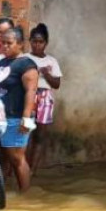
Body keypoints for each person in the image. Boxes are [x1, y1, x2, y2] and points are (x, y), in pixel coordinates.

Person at [0, 27, 39, 193]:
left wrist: (26, 118)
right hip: (0, 117)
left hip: (16, 117)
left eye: (9, 43)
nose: (5, 46)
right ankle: (3, 189)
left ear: (20, 44)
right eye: (2, 43)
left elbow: (31, 91)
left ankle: (25, 195)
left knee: (17, 157)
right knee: (5, 156)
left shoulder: (26, 65)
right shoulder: (1, 63)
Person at [25, 23, 62, 175]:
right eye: (34, 41)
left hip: (45, 97)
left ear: (46, 43)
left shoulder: (52, 61)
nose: (37, 45)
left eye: (40, 42)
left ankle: (32, 170)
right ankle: (20, 167)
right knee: (24, 133)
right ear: (30, 41)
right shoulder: (25, 58)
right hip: (28, 96)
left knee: (40, 135)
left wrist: (46, 74)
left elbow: (57, 84)